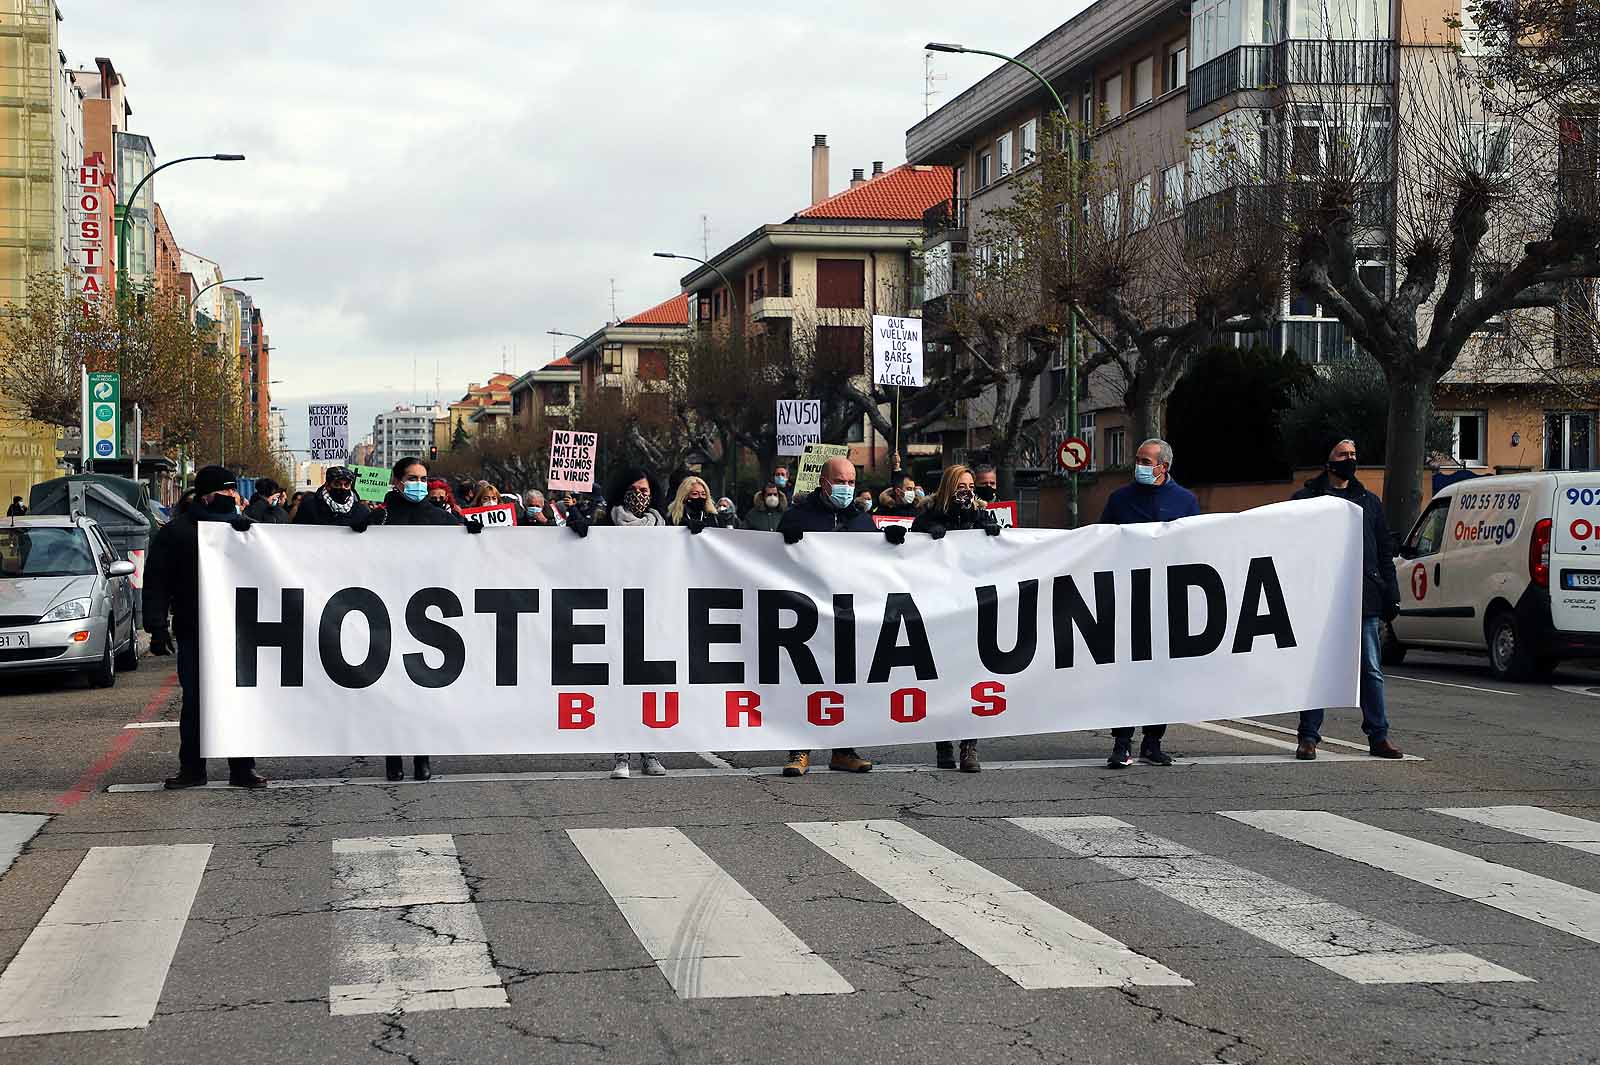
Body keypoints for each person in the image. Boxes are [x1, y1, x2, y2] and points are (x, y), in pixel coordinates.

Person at [143, 465, 267, 790]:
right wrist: (156, 626)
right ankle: (192, 769)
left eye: (233, 490)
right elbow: (157, 581)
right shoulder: (176, 532)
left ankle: (242, 768)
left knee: (240, 698)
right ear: (206, 495)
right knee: (196, 702)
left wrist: (253, 533)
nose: (231, 496)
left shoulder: (246, 529)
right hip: (194, 629)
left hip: (240, 631)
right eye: (225, 491)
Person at [1292, 439, 1404, 760]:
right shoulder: (1306, 500)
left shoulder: (1369, 502)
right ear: (1329, 461)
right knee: (1317, 668)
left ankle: (1378, 736)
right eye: (1343, 455)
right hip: (1320, 598)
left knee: (1370, 669)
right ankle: (1309, 737)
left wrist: (1390, 595)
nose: (1350, 459)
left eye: (1354, 454)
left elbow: (1384, 551)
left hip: (1362, 597)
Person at [367, 456, 473, 782]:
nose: (419, 484)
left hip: (428, 613)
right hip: (389, 607)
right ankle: (393, 756)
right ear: (397, 481)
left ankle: (422, 755)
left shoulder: (439, 517)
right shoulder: (382, 516)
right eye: (412, 477)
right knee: (393, 686)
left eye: (423, 478)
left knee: (424, 684)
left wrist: (474, 534)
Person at [1100, 438, 1199, 769]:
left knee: (1161, 674)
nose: (1138, 466)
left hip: (1167, 600)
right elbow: (1100, 542)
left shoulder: (1185, 501)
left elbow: (1194, 548)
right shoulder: (1119, 499)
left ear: (1163, 467)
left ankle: (1153, 741)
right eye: (1138, 459)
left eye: (1145, 461)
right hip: (1127, 598)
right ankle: (1122, 742)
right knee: (1127, 673)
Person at [895, 464, 1001, 773]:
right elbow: (909, 561)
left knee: (970, 678)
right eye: (961, 486)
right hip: (938, 610)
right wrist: (925, 536)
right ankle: (943, 743)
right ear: (947, 488)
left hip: (972, 611)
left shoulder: (981, 517)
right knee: (941, 679)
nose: (967, 492)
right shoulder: (927, 518)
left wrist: (994, 538)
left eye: (971, 486)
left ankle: (969, 746)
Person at [776, 456, 875, 777]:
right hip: (806, 616)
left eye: (851, 482)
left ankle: (843, 750)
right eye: (840, 481)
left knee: (846, 682)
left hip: (848, 615)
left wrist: (893, 545)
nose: (847, 488)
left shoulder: (861, 521)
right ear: (823, 482)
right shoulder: (799, 516)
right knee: (805, 680)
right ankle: (799, 750)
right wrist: (784, 540)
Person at [594, 465, 667, 778]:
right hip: (613, 610)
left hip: (651, 611)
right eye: (635, 490)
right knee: (620, 686)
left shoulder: (664, 525)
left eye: (645, 491)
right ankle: (620, 756)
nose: (640, 495)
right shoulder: (604, 521)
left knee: (648, 685)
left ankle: (649, 753)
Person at [293, 466, 372, 527]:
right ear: (328, 485)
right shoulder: (310, 507)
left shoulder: (361, 510)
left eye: (346, 484)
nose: (343, 488)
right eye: (337, 484)